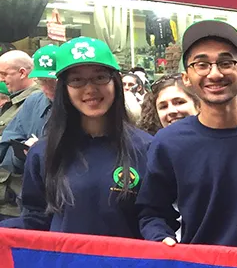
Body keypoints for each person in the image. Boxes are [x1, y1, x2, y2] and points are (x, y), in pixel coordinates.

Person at [137, 20, 237, 249]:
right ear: (186, 77)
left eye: (225, 62)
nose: (215, 73)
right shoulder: (169, 143)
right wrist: (161, 237)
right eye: (201, 64)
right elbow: (152, 212)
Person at [0, 37, 150, 236]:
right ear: (65, 89)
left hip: (128, 266)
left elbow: (153, 218)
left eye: (100, 77)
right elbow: (36, 220)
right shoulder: (43, 153)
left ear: (115, 82)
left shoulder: (147, 148)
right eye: (77, 80)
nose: (90, 89)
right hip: (63, 265)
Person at [0, 45, 59, 220]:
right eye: (41, 81)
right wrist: (24, 153)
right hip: (29, 202)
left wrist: (43, 150)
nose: (46, 87)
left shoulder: (79, 106)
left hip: (64, 201)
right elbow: (6, 148)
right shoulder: (34, 102)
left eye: (52, 81)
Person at [0, 50, 37, 135]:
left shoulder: (35, 101)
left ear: (22, 73)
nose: (1, 79)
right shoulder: (17, 99)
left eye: (4, 74)